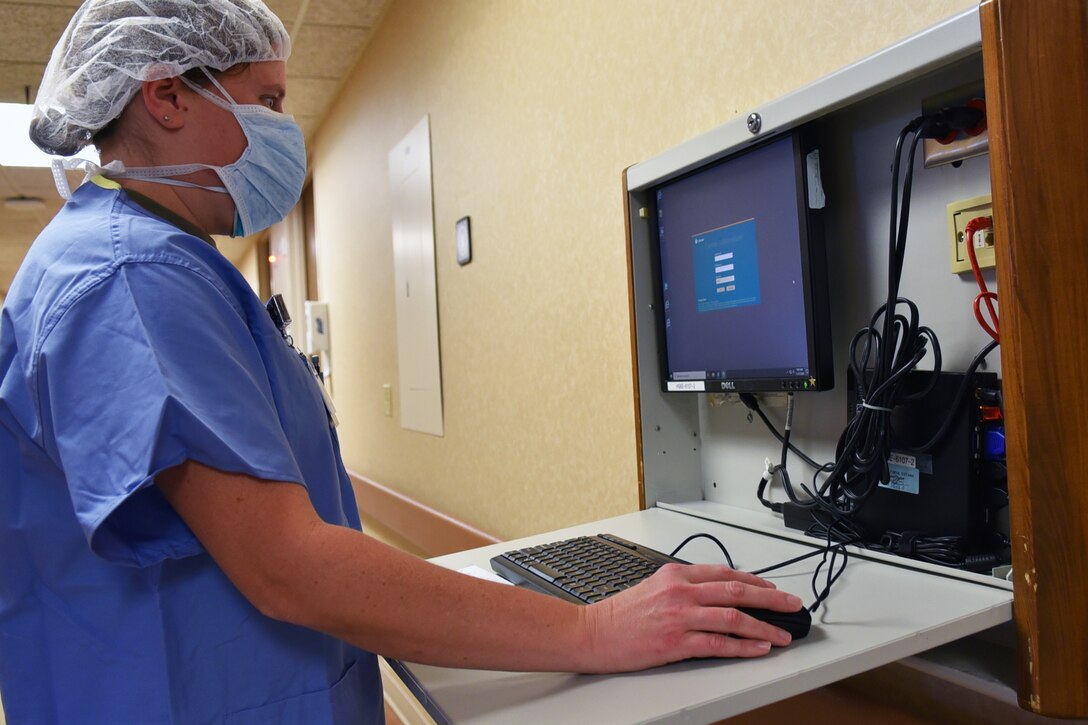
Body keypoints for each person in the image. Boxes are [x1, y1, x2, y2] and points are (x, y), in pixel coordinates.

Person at [0, 1, 804, 722]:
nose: (286, 126)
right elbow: (289, 566)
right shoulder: (131, 278)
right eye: (269, 100)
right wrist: (595, 627)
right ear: (167, 96)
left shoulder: (148, 263)